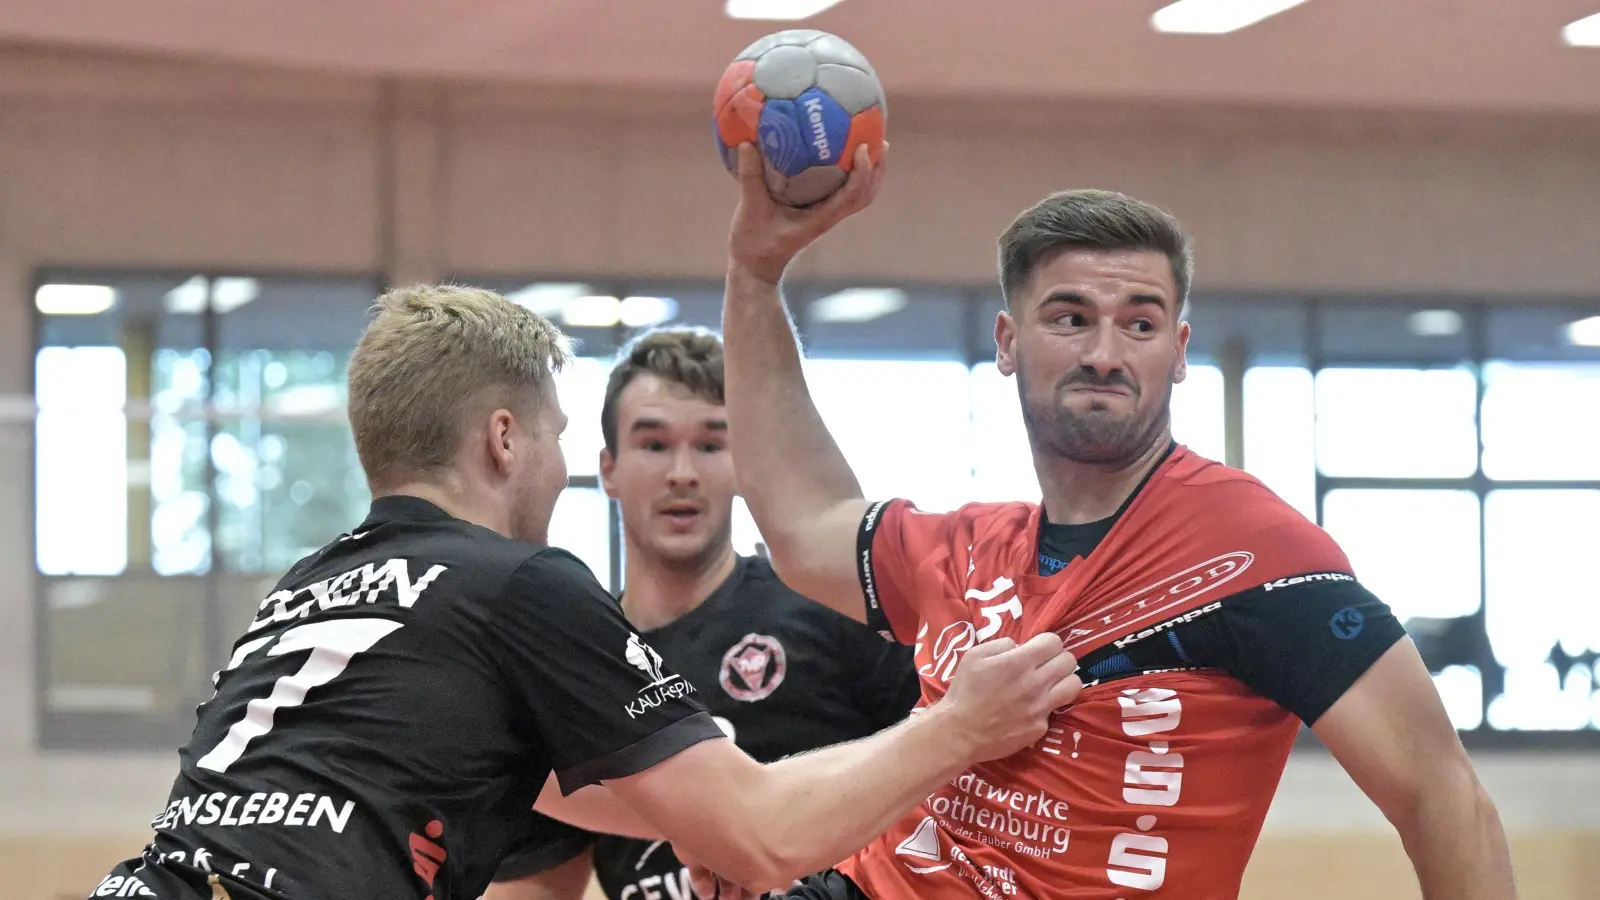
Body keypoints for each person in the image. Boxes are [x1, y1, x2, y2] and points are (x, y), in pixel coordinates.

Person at [86, 285, 1085, 900]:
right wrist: (960, 727)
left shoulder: (311, 591)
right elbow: (765, 834)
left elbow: (609, 798)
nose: (562, 466)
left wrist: (710, 823)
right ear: (502, 439)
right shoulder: (515, 584)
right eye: (562, 435)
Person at [709, 141, 1518, 900]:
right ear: (1008, 342)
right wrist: (755, 272)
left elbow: (1441, 795)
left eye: (1140, 322)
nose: (1106, 352)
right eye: (1069, 318)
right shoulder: (969, 549)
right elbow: (804, 522)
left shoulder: (1255, 551)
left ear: (1179, 349)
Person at [484, 328, 922, 900]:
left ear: (742, 462)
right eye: (655, 444)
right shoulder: (577, 661)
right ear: (608, 469)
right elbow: (536, 881)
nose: (683, 473)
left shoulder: (829, 607)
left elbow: (947, 782)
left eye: (711, 445)